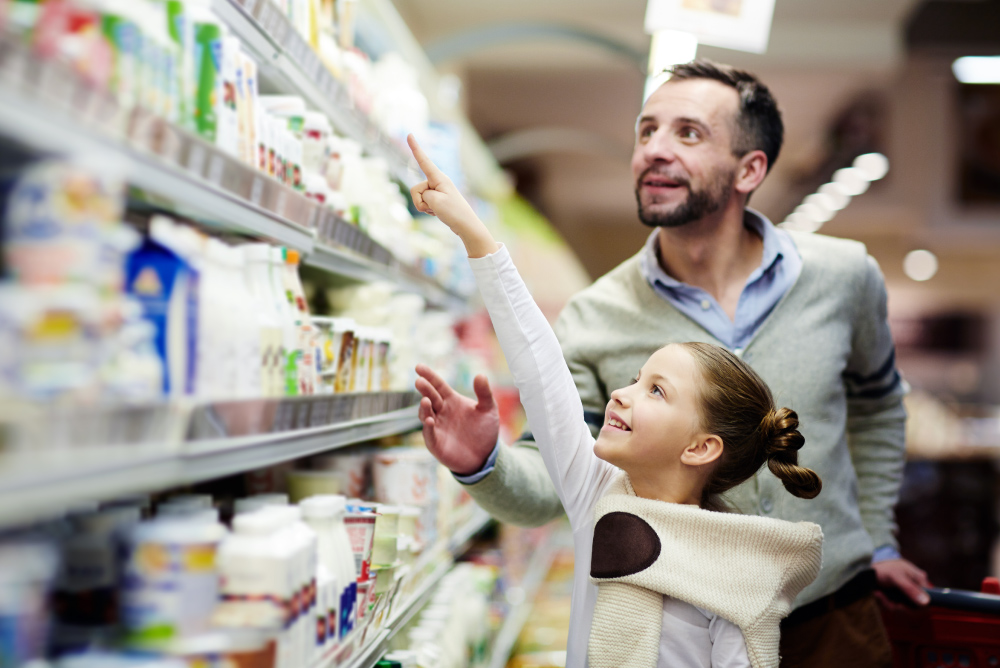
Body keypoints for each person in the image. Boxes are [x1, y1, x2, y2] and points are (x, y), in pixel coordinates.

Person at [414, 60, 931, 667]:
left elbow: (878, 409)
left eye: (687, 133)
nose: (654, 150)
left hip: (838, 614)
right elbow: (546, 410)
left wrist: (880, 540)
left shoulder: (846, 278)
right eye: (645, 131)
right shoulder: (596, 324)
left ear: (750, 169)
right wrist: (486, 463)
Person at [407, 132, 824, 668]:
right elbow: (541, 367)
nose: (622, 395)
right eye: (635, 378)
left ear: (700, 448)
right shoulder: (598, 496)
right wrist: (474, 234)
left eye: (656, 391)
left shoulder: (737, 574)